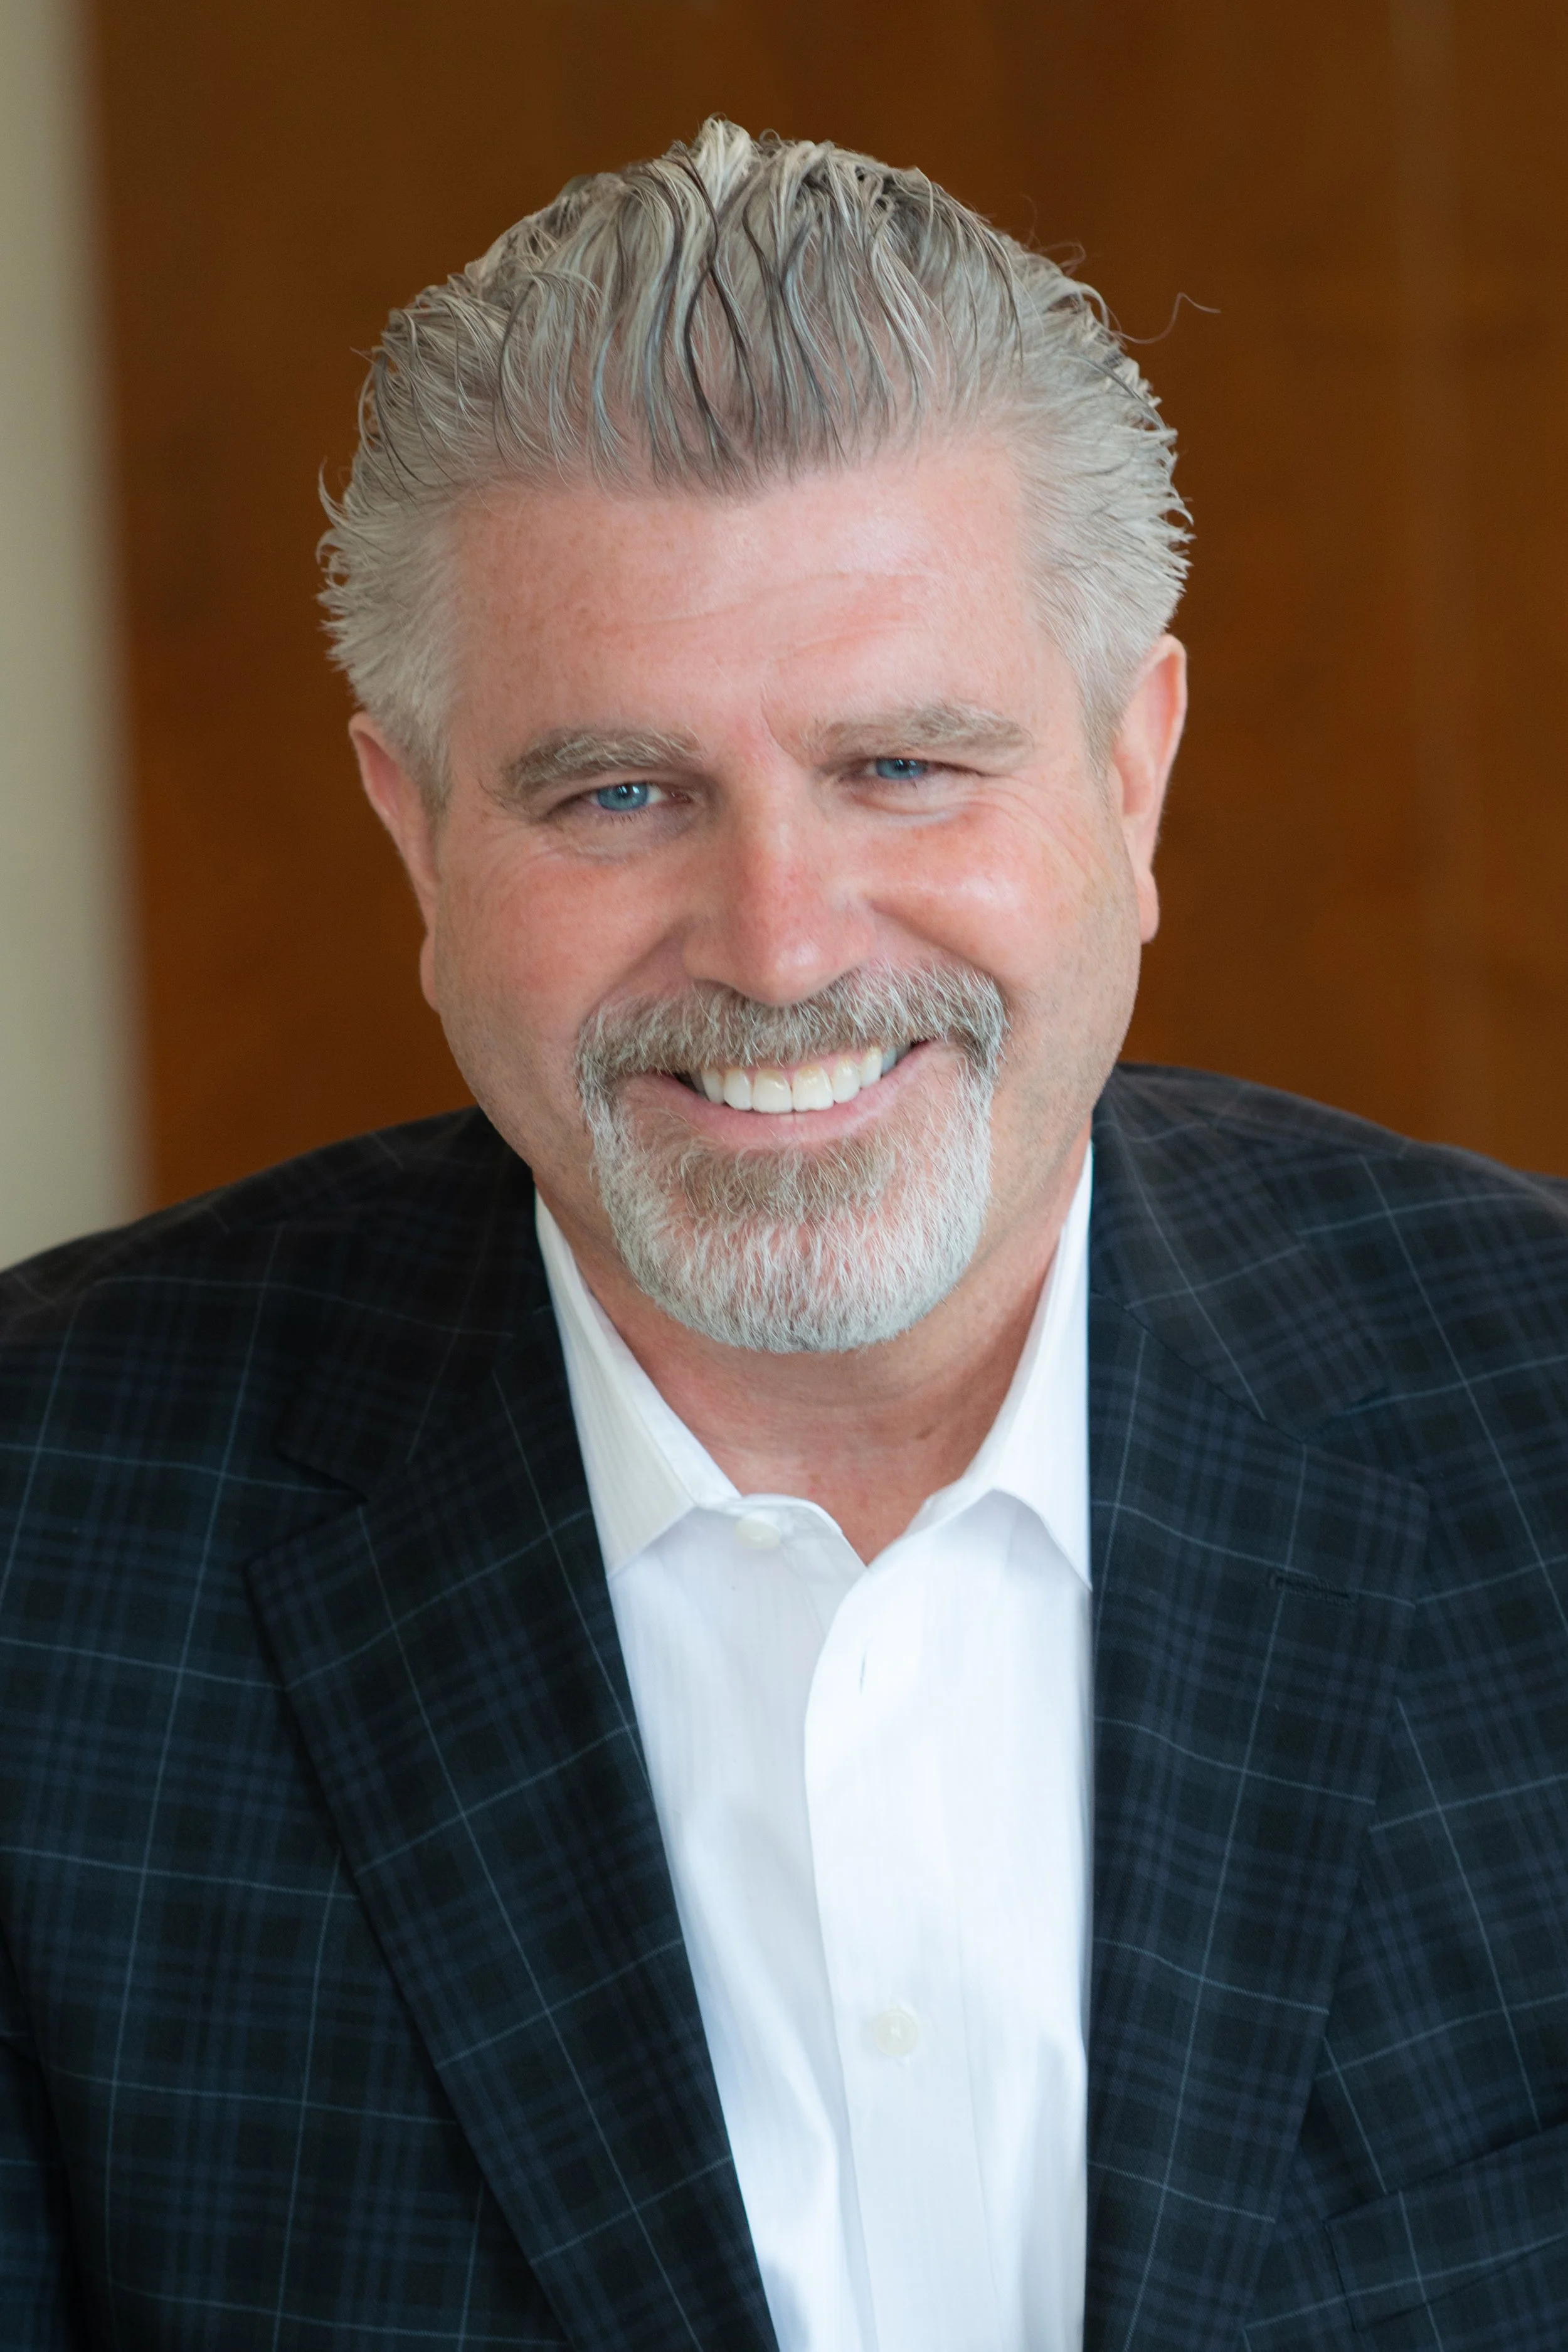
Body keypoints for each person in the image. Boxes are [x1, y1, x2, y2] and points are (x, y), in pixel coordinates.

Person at [2, 117, 1566, 2352]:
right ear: (416, 838)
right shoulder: (38, 1541)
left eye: (902, 768)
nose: (780, 943)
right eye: (619, 792)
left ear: (1130, 778)